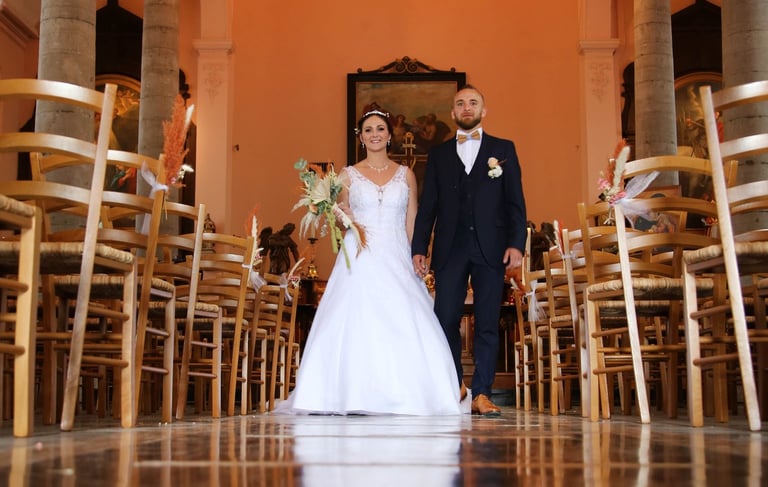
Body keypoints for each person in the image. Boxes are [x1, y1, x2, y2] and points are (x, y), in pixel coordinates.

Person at [273, 109, 463, 415]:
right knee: (356, 317)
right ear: (361, 137)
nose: (374, 134)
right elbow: (342, 213)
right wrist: (335, 211)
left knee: (406, 318)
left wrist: (419, 253)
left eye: (380, 129)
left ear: (390, 135)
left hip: (397, 252)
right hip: (360, 252)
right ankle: (349, 393)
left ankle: (409, 394)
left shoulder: (407, 175)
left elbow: (412, 218)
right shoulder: (348, 175)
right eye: (368, 130)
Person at [412, 84, 527, 417]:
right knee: (444, 318)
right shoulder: (438, 154)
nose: (466, 108)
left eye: (472, 102)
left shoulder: (504, 149)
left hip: (491, 248)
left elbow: (515, 203)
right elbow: (428, 205)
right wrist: (420, 246)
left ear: (483, 110)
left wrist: (516, 243)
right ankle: (456, 384)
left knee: (488, 322)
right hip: (450, 248)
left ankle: (483, 393)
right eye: (460, 103)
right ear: (452, 112)